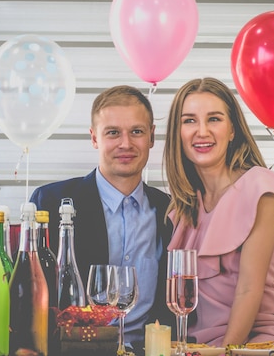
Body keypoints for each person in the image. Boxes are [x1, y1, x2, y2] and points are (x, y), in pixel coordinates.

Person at [163, 77, 274, 349]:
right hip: (204, 344)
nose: (202, 131)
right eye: (189, 121)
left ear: (232, 130)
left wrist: (226, 354)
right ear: (178, 133)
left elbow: (248, 290)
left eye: (214, 119)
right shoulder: (182, 209)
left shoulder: (260, 189)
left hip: (265, 337)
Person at [30, 85, 172, 349]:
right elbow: (30, 297)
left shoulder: (171, 211)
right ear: (94, 138)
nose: (126, 143)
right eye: (113, 133)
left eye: (137, 132)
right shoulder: (50, 203)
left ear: (151, 137)